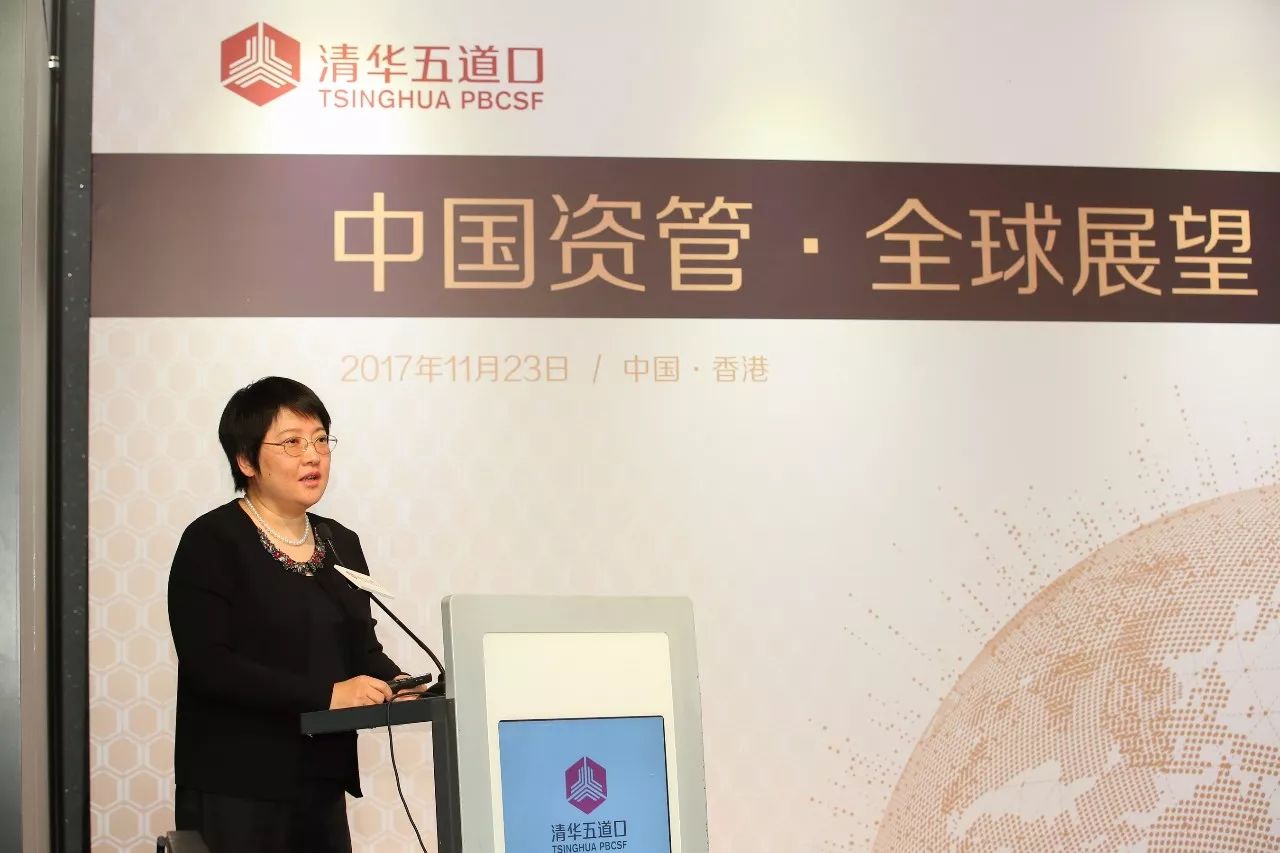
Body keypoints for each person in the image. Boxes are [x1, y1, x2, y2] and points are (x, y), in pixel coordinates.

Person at [167, 376, 424, 852]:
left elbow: (362, 649)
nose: (313, 456)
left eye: (321, 440)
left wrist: (400, 683)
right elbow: (210, 666)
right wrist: (328, 694)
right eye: (292, 443)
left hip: (322, 777)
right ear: (246, 460)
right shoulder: (212, 540)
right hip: (237, 782)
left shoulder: (340, 541)